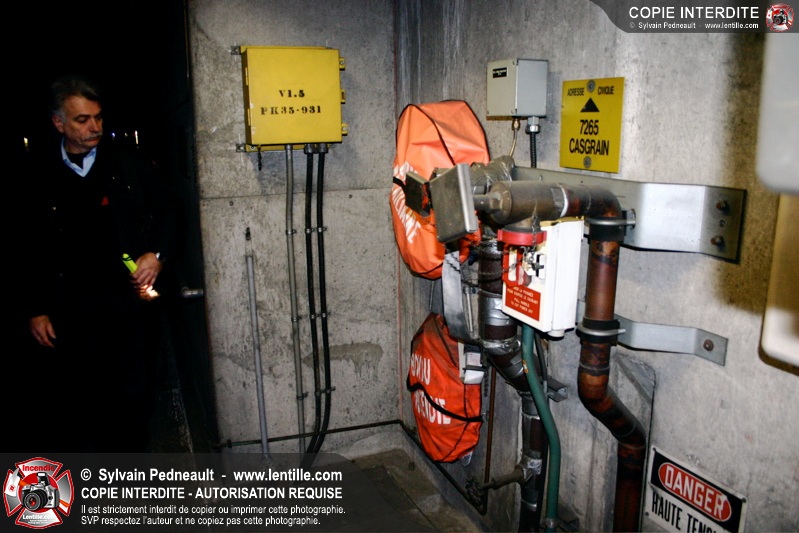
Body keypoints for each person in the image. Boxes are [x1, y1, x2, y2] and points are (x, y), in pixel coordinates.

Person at [19, 74, 179, 453]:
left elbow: (170, 211)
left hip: (128, 303)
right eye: (83, 120)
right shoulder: (38, 173)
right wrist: (36, 308)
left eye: (98, 117)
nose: (95, 127)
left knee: (134, 393)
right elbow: (28, 246)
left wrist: (155, 255)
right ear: (59, 123)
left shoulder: (127, 164)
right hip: (70, 308)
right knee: (81, 396)